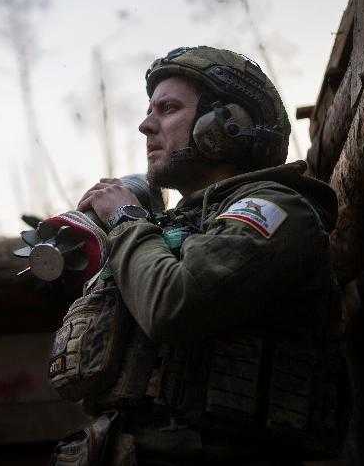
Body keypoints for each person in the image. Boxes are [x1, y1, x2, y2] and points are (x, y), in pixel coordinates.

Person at [58, 46, 345, 465]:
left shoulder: (278, 209)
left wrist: (124, 219)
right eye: (149, 110)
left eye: (167, 108)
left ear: (226, 125)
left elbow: (174, 303)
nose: (145, 125)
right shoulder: (164, 228)